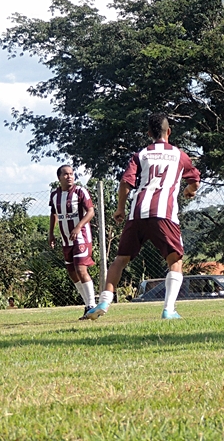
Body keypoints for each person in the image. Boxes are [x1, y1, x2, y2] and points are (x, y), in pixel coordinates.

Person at [86, 113, 200, 320]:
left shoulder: (141, 154)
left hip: (138, 211)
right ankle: (169, 309)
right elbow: (195, 179)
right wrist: (189, 190)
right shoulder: (179, 155)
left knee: (120, 260)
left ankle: (103, 302)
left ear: (149, 133)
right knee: (175, 260)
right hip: (164, 213)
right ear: (169, 132)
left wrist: (120, 208)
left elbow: (125, 183)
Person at [48, 164, 97, 320]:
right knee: (71, 272)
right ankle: (88, 305)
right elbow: (53, 214)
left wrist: (79, 226)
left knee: (81, 269)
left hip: (81, 237)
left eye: (71, 174)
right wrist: (51, 234)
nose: (69, 176)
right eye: (65, 174)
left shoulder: (80, 191)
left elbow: (91, 211)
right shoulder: (55, 195)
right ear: (59, 177)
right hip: (65, 240)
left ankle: (91, 306)